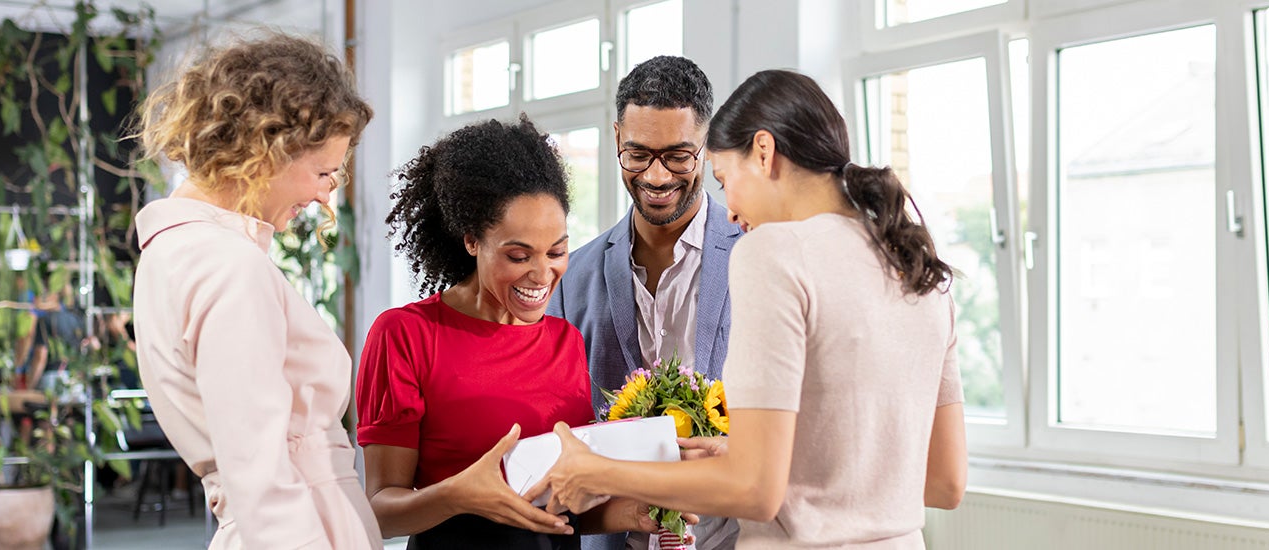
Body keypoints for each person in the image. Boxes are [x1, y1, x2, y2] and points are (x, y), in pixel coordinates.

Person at [527, 69, 970, 548]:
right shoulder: (919, 266)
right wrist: (746, 452)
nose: (732, 212)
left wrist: (599, 470)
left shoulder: (771, 251)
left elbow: (754, 491)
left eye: (722, 178)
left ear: (763, 151)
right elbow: (944, 482)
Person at [358, 116, 673, 549]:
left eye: (557, 251)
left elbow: (564, 507)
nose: (542, 274)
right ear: (472, 240)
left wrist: (641, 512)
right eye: (519, 255)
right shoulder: (407, 335)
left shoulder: (565, 341)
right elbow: (378, 512)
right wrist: (459, 495)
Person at [131, 34, 381, 548]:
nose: (322, 196)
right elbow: (264, 481)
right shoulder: (226, 265)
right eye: (322, 173)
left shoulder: (177, 251)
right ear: (266, 149)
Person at [545, 55, 742, 550]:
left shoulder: (756, 258)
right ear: (616, 140)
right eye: (637, 154)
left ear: (708, 145)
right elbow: (562, 428)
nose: (656, 177)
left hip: (735, 537)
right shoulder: (572, 277)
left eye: (678, 155)